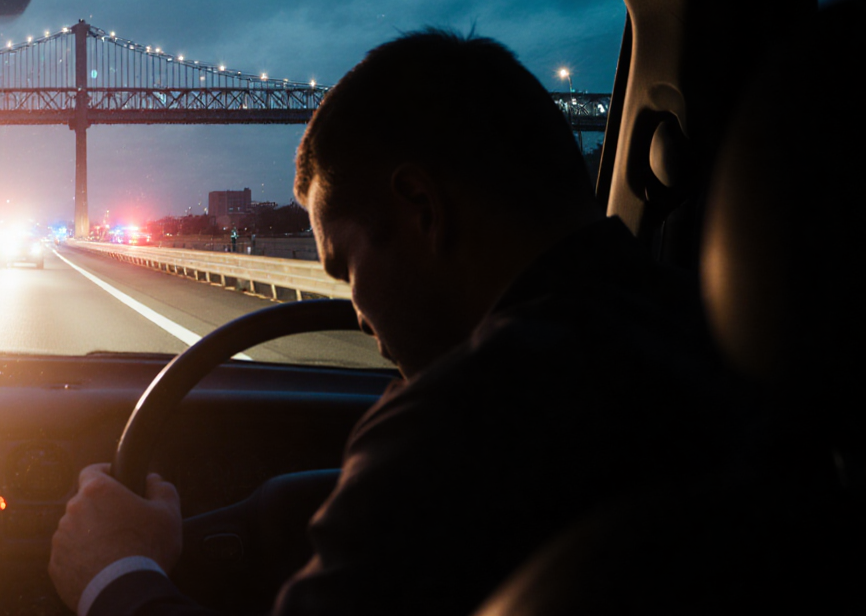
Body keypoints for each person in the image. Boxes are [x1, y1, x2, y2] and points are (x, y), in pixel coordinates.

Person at [49, 30, 746, 616]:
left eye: (346, 266)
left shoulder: (459, 425)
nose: (354, 309)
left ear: (422, 207)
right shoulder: (736, 349)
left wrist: (118, 574)